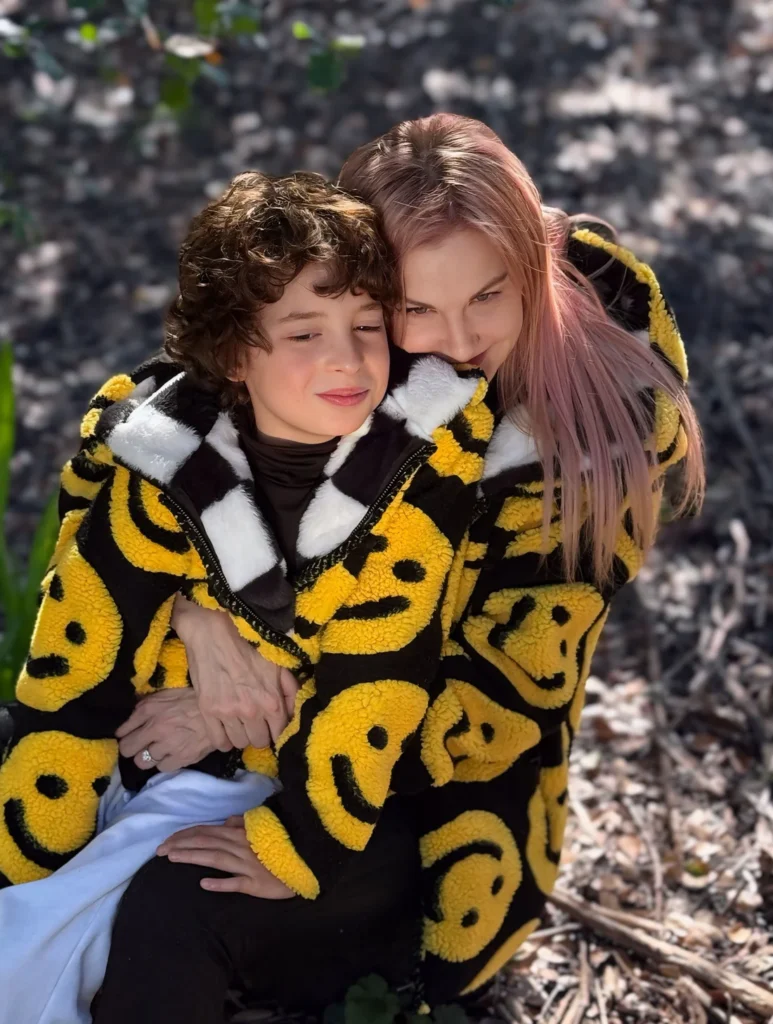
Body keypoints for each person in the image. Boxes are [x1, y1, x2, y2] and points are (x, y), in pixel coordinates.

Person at [122, 113, 705, 1008]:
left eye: (488, 296)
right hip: (294, 721)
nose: (460, 340)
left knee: (177, 905)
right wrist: (191, 617)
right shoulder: (351, 336)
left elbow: (477, 704)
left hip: (433, 807)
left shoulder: (594, 437)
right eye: (416, 308)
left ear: (535, 266)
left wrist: (240, 709)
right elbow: (157, 436)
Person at [0, 168, 493, 1023]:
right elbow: (79, 657)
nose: (346, 358)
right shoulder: (165, 455)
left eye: (367, 326)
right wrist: (29, 846)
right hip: (160, 759)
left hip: (346, 800)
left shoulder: (418, 468)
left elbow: (381, 675)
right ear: (235, 353)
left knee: (171, 905)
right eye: (304, 333)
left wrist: (296, 846)